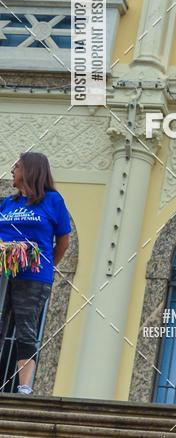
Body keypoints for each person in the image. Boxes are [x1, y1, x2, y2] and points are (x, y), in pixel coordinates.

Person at [0, 152, 71, 395]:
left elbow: (63, 242)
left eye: (16, 166)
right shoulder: (8, 203)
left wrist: (44, 263)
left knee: (25, 328)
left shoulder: (53, 201)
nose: (12, 170)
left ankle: (24, 387)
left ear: (30, 170)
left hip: (33, 276)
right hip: (3, 273)